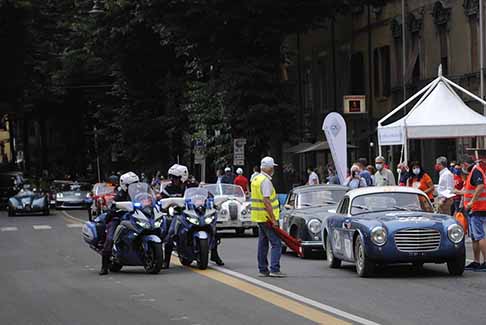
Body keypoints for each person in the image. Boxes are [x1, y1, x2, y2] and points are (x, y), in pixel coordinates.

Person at [162, 164, 223, 268]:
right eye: (171, 177)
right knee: (171, 234)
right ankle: (166, 261)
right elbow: (162, 201)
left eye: (175, 177)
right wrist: (165, 204)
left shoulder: (193, 185)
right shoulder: (169, 188)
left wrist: (212, 199)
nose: (172, 180)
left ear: (183, 177)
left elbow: (206, 194)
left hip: (196, 212)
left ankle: (214, 255)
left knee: (213, 229)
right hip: (179, 214)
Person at [251, 156, 285, 277]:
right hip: (267, 218)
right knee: (276, 243)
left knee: (263, 243)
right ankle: (274, 269)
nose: (273, 170)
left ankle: (263, 269)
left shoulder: (256, 179)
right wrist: (273, 219)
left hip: (259, 217)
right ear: (270, 168)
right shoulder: (265, 181)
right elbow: (266, 201)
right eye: (272, 167)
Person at [99, 171, 140, 275]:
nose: (134, 186)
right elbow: (113, 204)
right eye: (131, 185)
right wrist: (114, 206)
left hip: (133, 217)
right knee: (110, 239)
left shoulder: (139, 193)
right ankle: (104, 266)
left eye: (136, 184)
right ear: (125, 185)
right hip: (119, 218)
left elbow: (147, 200)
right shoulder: (120, 194)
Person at [464, 149, 486, 271]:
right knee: (474, 236)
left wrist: (472, 202)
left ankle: (485, 262)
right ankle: (476, 261)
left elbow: (481, 186)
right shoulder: (477, 171)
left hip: (477, 208)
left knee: (479, 235)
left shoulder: (476, 171)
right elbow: (471, 190)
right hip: (475, 208)